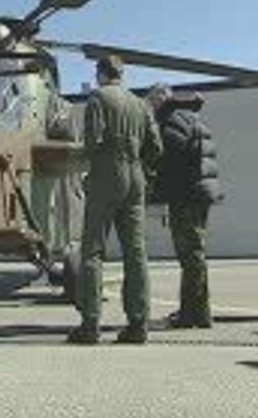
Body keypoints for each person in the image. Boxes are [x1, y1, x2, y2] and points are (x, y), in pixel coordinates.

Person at [67, 55, 162, 345]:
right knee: (135, 252)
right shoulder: (140, 103)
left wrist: (84, 165)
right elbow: (155, 146)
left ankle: (90, 323)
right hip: (135, 179)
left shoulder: (98, 98)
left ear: (100, 74)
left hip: (106, 176)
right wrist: (140, 168)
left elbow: (92, 141)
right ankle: (138, 323)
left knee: (93, 250)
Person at [146, 84, 221, 329]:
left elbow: (168, 157)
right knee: (195, 254)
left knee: (190, 255)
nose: (151, 104)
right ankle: (199, 312)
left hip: (187, 195)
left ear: (163, 98)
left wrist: (154, 184)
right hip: (198, 193)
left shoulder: (173, 120)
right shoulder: (190, 117)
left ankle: (192, 314)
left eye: (153, 98)